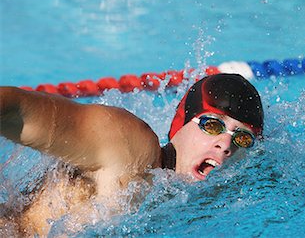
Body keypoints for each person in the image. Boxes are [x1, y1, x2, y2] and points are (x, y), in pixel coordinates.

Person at [0, 73, 264, 236]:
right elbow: (14, 109)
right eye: (212, 125)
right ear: (179, 125)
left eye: (242, 137)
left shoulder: (207, 202)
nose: (226, 145)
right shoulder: (130, 146)